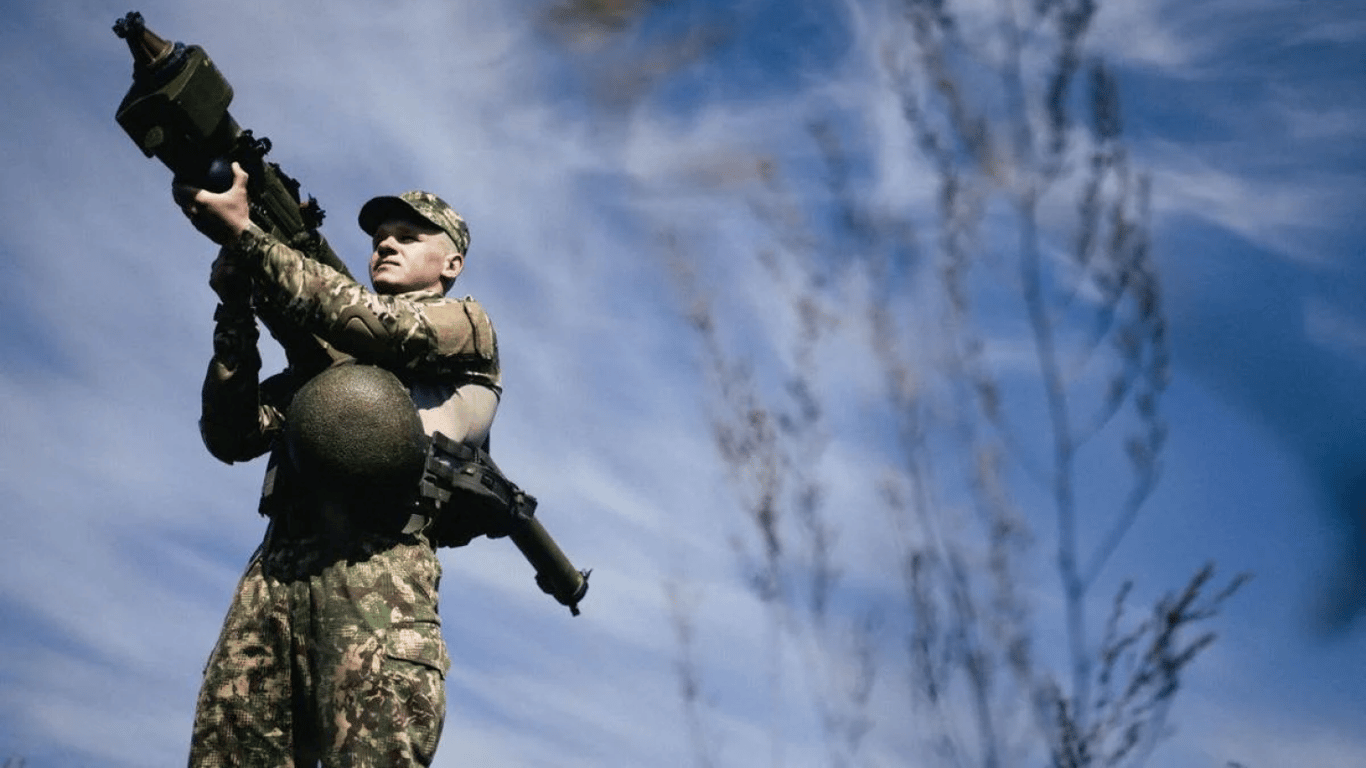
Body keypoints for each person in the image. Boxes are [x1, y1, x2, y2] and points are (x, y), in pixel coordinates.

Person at [174, 163, 499, 767]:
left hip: (379, 577)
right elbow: (231, 432)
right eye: (381, 235)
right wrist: (235, 310)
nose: (387, 243)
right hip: (274, 577)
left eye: (409, 235)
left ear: (451, 264)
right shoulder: (332, 367)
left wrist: (247, 237)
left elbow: (375, 324)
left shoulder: (466, 325)